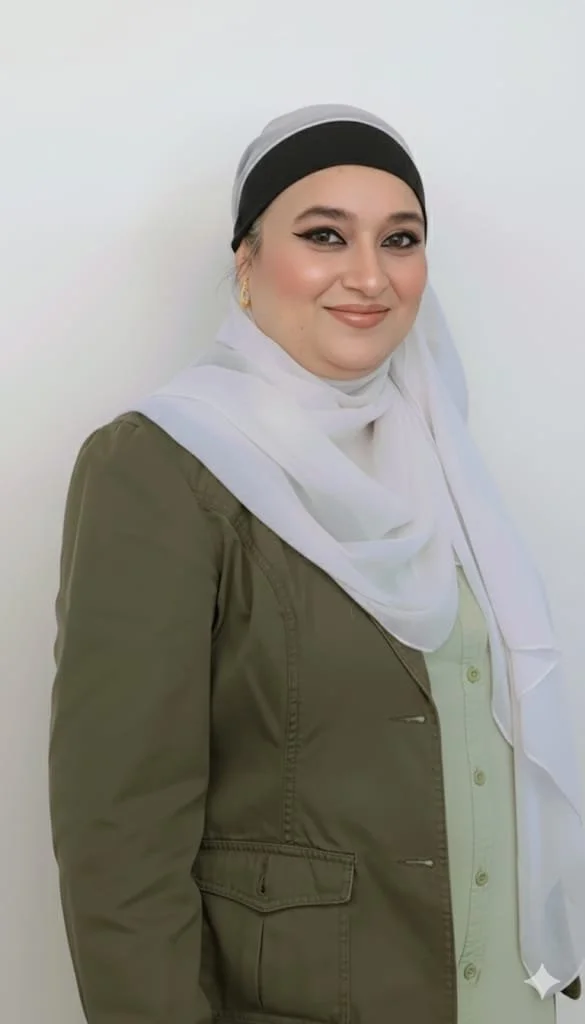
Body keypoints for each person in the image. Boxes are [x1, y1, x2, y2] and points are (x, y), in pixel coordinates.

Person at [49, 104, 585, 1024]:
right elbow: (119, 841)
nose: (369, 275)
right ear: (247, 262)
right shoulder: (162, 464)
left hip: (505, 998)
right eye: (324, 234)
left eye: (401, 238)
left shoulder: (439, 467)